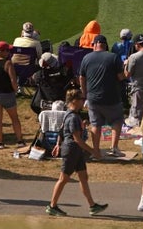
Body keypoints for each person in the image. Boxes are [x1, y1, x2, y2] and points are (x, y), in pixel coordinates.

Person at [46, 89, 107, 217]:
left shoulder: (69, 114)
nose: (83, 101)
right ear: (74, 101)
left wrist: (58, 144)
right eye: (81, 99)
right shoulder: (73, 117)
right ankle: (52, 206)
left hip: (76, 151)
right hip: (71, 150)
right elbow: (77, 139)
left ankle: (92, 206)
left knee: (83, 177)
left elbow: (61, 131)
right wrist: (93, 151)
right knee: (63, 179)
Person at [77, 34, 127, 157]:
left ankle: (96, 150)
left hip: (93, 98)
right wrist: (126, 67)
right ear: (106, 45)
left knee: (95, 124)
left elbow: (81, 78)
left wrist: (84, 94)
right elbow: (121, 77)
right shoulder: (113, 57)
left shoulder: (86, 58)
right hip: (112, 97)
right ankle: (114, 148)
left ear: (94, 45)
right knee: (116, 121)